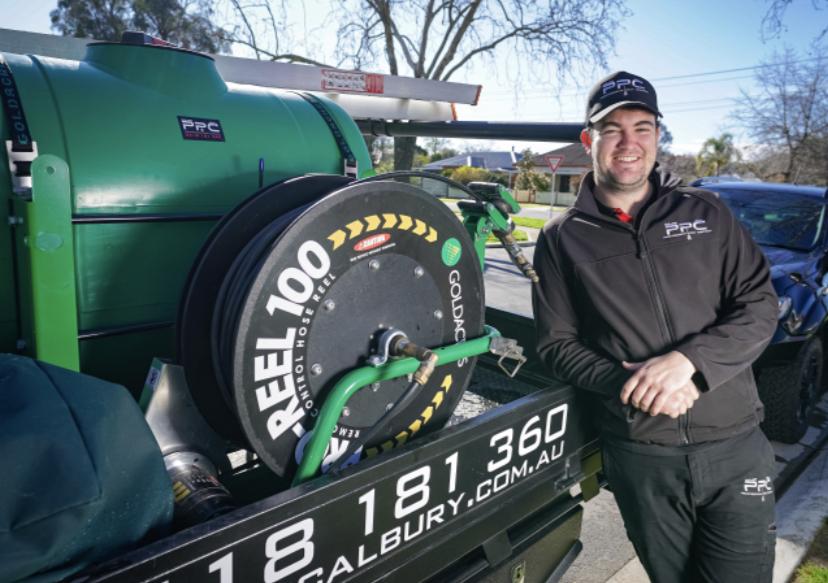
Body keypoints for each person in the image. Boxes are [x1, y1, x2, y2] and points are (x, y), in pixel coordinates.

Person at [531, 71, 779, 583]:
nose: (629, 143)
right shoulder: (561, 239)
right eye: (613, 130)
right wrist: (634, 385)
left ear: (657, 137)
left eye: (642, 128)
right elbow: (556, 346)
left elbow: (759, 306)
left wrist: (689, 364)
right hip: (641, 457)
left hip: (735, 449)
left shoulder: (706, 212)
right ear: (589, 141)